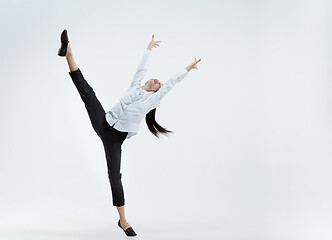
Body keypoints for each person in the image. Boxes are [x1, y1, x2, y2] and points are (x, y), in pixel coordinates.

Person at [57, 29, 201, 236]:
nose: (157, 80)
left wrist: (188, 68)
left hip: (115, 140)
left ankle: (123, 220)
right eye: (156, 79)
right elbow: (141, 69)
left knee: (114, 177)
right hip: (104, 122)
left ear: (156, 91)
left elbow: (170, 84)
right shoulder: (135, 86)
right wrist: (149, 49)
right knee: (88, 94)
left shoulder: (153, 99)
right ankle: (69, 53)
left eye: (158, 83)